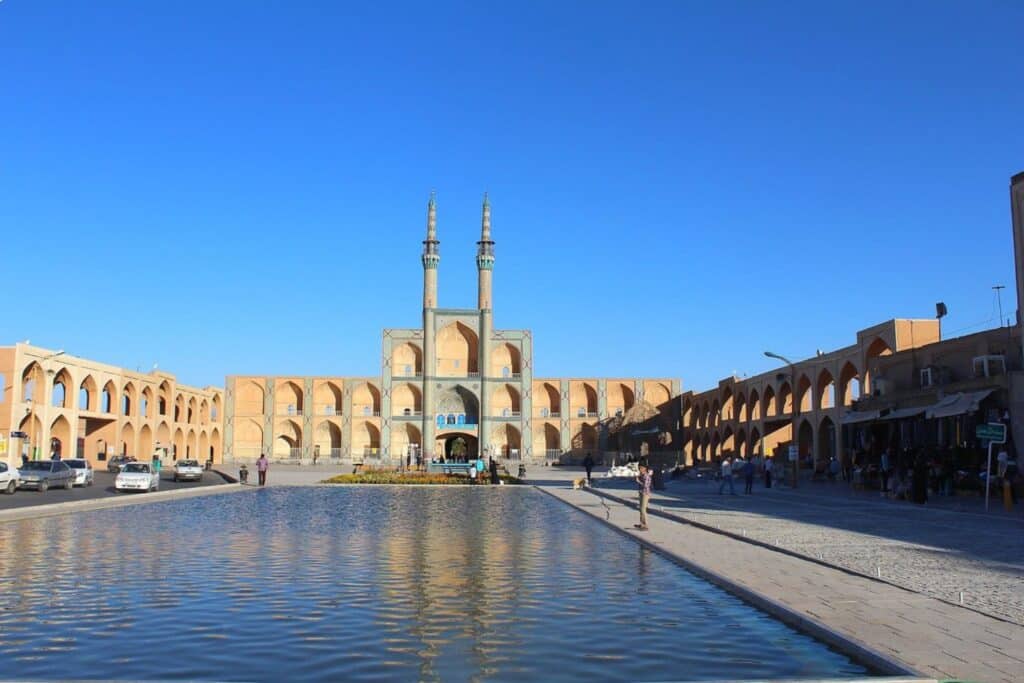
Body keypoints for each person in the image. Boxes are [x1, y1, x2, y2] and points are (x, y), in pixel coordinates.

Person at [635, 463, 652, 530]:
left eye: (641, 468)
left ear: (644, 469)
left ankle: (645, 525)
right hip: (641, 493)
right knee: (641, 509)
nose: (640, 469)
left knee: (643, 509)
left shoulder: (646, 476)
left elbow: (646, 486)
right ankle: (641, 524)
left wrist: (638, 481)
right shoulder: (642, 475)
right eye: (639, 468)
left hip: (645, 494)